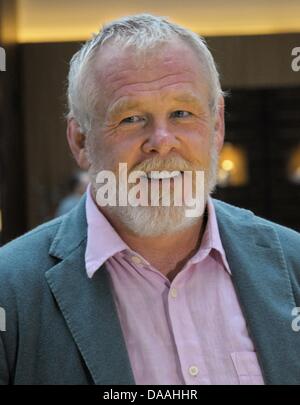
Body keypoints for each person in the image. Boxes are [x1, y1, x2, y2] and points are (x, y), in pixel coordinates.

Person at [0, 14, 300, 385]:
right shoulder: (10, 291)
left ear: (217, 125)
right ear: (81, 141)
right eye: (130, 118)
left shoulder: (294, 263)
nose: (161, 140)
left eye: (181, 113)